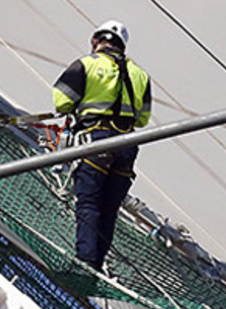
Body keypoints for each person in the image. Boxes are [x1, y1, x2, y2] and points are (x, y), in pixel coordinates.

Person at [52, 20, 152, 270]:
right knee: (108, 210)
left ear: (96, 40)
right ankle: (96, 265)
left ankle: (85, 263)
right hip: (127, 146)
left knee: (88, 204)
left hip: (96, 142)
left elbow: (62, 101)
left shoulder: (86, 64)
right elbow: (142, 119)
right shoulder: (141, 76)